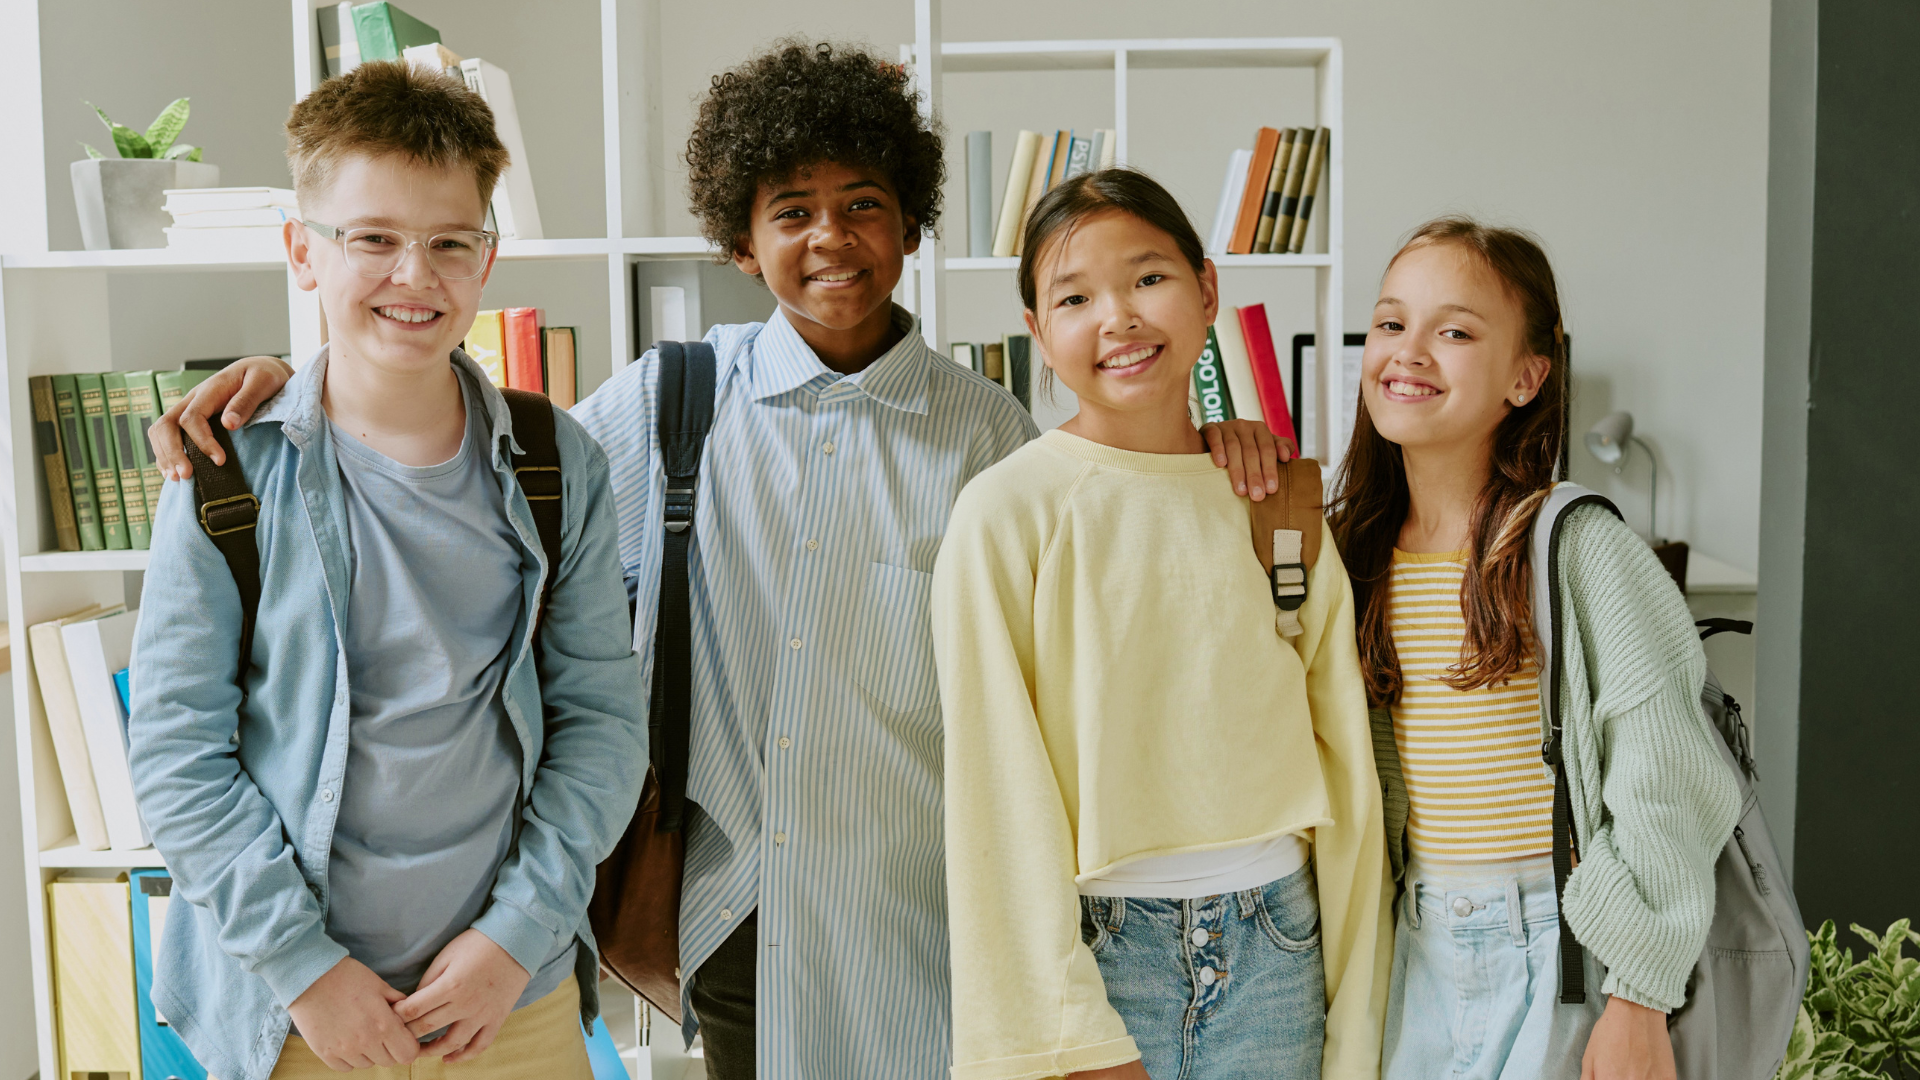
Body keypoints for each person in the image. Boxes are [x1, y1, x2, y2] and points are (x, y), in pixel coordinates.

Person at [145, 42, 1291, 1080]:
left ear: (910, 225)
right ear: (742, 241)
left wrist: (1211, 441)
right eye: (792, 210)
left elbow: (1097, 556)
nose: (831, 238)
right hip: (737, 913)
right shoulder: (662, 402)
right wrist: (285, 377)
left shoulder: (987, 430)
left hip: (931, 909)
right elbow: (441, 423)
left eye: (865, 206)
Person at [126, 61, 645, 1080]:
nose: (416, 277)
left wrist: (514, 938)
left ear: (486, 259)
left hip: (509, 996)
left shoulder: (556, 460)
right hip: (298, 1007)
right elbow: (177, 752)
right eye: (372, 239)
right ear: (302, 252)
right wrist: (305, 968)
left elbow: (601, 728)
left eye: (450, 242)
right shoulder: (231, 467)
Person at [932, 168, 1391, 1080]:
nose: (1119, 318)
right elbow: (995, 791)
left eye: (1148, 278)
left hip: (1279, 942)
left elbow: (1345, 749)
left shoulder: (1276, 500)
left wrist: (1356, 1000)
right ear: (1036, 334)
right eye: (1074, 297)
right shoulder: (1005, 514)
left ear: (1208, 290)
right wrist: (1068, 1026)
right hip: (1106, 952)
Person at [1329, 217, 1742, 1079]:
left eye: (1454, 331)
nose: (1408, 352)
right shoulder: (1352, 549)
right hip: (1416, 939)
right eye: (1389, 322)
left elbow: (1668, 774)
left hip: (1566, 939)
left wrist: (1638, 996)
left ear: (1526, 377)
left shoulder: (1576, 544)